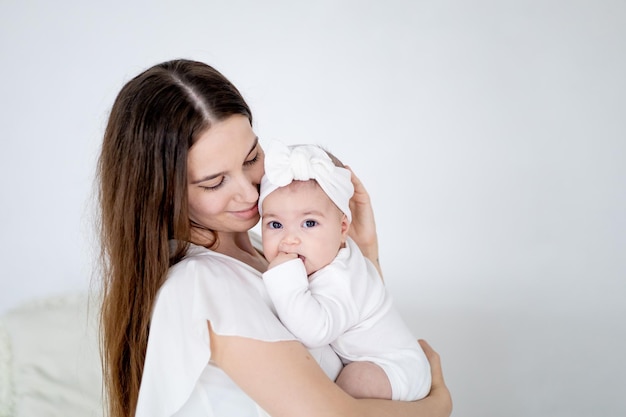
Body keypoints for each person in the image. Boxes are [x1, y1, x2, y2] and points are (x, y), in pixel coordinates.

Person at [96, 58, 452, 417]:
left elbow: (357, 337)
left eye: (251, 159)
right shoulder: (203, 283)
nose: (250, 195)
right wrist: (438, 404)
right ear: (161, 192)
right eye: (215, 182)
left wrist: (361, 252)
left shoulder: (262, 250)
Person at [258, 142, 431, 401]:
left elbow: (315, 332)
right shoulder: (329, 255)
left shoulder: (341, 276)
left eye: (309, 223)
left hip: (396, 368)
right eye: (275, 224)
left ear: (342, 228)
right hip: (381, 363)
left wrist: (283, 279)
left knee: (353, 383)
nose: (290, 239)